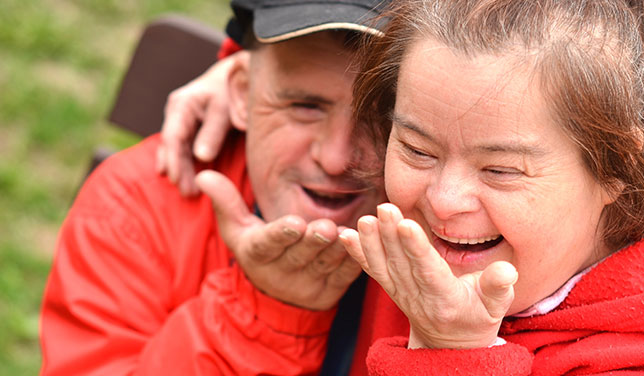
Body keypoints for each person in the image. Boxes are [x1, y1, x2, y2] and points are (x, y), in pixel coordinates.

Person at [334, 0, 644, 374]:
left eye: (500, 170)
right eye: (417, 149)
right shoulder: (374, 224)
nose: (443, 201)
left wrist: (448, 352)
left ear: (618, 166)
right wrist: (288, 311)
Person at [39, 1, 387, 374]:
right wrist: (265, 316)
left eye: (382, 113)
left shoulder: (451, 239)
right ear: (239, 91)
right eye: (304, 106)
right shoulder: (136, 206)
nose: (335, 158)